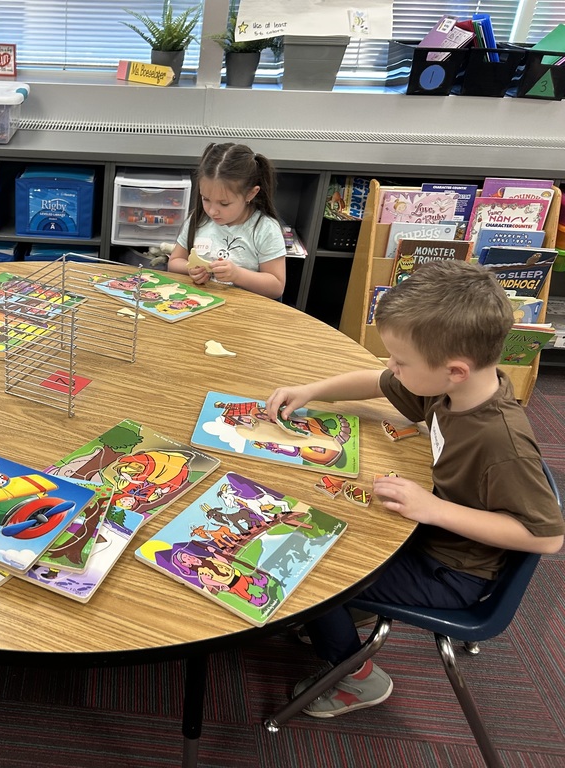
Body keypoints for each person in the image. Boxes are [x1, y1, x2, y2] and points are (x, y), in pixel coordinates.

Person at [265, 259, 564, 718]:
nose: (391, 367)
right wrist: (312, 390)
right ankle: (351, 612)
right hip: (428, 533)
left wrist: (434, 510)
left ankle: (355, 677)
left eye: (401, 361)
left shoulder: (501, 440)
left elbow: (547, 537)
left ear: (456, 369)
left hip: (451, 570)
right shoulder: (448, 389)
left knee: (308, 572)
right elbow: (378, 383)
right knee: (306, 517)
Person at [167, 142, 286, 299]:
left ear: (251, 194)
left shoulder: (265, 229)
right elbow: (174, 262)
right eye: (206, 199)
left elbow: (276, 286)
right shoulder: (199, 219)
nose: (212, 211)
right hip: (199, 303)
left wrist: (237, 275)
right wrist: (190, 269)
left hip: (243, 311)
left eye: (224, 203)